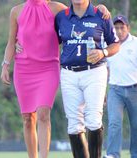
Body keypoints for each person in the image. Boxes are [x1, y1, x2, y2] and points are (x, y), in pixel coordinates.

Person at [0, 0, 111, 158]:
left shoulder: (57, 9)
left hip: (48, 68)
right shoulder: (16, 11)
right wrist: (5, 65)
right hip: (24, 68)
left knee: (43, 113)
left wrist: (99, 9)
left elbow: (80, 15)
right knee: (27, 118)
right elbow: (11, 42)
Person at [55, 0, 120, 158]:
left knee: (93, 119)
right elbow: (49, 41)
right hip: (69, 73)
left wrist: (102, 52)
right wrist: (20, 44)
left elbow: (115, 44)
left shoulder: (101, 14)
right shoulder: (61, 17)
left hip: (94, 72)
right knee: (74, 125)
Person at [103, 15, 137, 158]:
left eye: (122, 27)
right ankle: (112, 154)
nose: (119, 31)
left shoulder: (135, 43)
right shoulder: (109, 44)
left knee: (135, 125)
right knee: (114, 124)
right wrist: (103, 91)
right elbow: (105, 69)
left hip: (134, 89)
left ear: (127, 28)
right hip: (115, 90)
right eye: (116, 28)